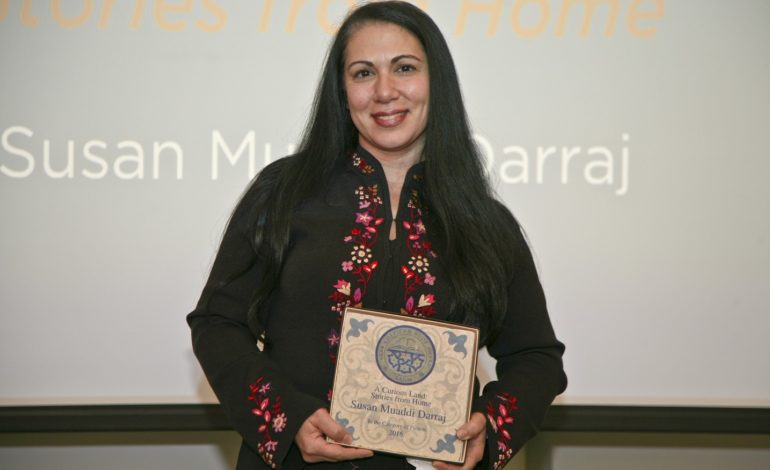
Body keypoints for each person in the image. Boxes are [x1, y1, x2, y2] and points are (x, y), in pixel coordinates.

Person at [187, 2, 566, 469]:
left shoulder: (485, 222)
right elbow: (217, 323)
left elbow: (536, 357)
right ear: (342, 91)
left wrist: (489, 427)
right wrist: (288, 418)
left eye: (405, 68)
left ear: (437, 81)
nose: (385, 91)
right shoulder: (283, 192)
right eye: (363, 73)